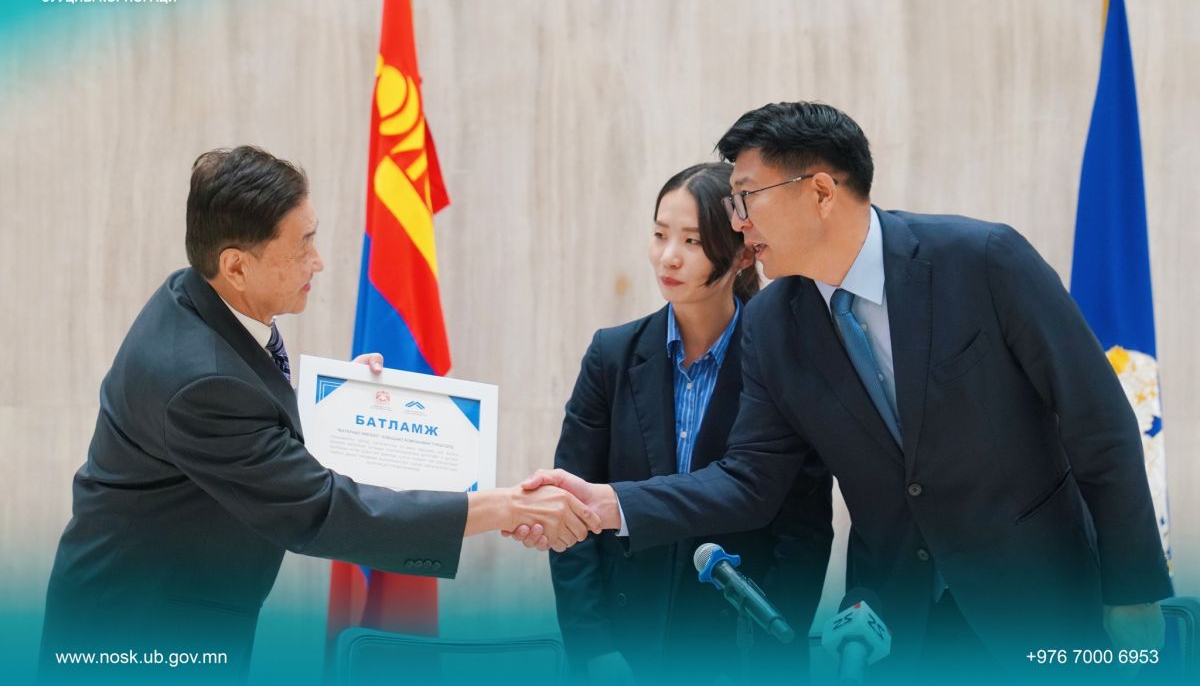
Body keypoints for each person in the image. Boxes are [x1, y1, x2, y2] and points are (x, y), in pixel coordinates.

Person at [521, 103, 1173, 677]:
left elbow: (1096, 419)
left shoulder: (983, 261)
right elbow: (749, 480)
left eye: (746, 197)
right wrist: (612, 503)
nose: (738, 222)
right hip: (900, 627)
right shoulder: (771, 325)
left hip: (1046, 601)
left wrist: (1133, 590)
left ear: (820, 192)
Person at [39, 146, 598, 681]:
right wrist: (504, 506)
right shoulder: (198, 380)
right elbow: (323, 512)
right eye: (303, 244)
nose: (319, 262)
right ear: (236, 266)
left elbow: (245, 426)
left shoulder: (199, 298)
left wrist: (344, 405)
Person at [546, 164, 832, 685]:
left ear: (743, 252)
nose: (668, 256)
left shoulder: (781, 362)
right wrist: (595, 649)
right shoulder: (612, 356)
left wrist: (767, 652)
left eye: (693, 241)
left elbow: (805, 533)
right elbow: (570, 509)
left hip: (739, 651)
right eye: (660, 235)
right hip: (623, 650)